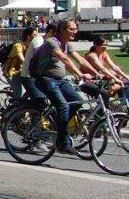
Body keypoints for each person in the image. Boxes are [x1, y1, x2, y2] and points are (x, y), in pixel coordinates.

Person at [29, 18, 91, 157]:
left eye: (76, 29)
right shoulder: (52, 42)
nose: (75, 32)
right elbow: (65, 60)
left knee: (77, 101)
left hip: (59, 80)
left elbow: (80, 60)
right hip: (45, 79)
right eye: (71, 29)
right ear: (62, 29)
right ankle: (62, 143)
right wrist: (80, 75)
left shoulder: (67, 44)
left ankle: (57, 123)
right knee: (64, 106)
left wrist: (100, 74)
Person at [5, 26, 33, 101]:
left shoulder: (29, 46)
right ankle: (14, 110)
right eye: (34, 35)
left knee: (33, 89)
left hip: (21, 72)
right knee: (18, 94)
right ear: (28, 36)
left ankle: (21, 105)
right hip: (12, 73)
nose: (37, 37)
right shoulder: (18, 45)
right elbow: (21, 57)